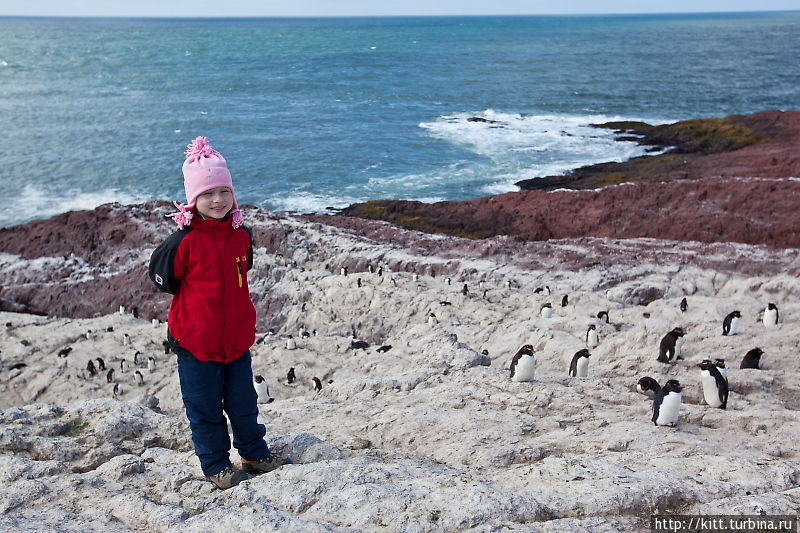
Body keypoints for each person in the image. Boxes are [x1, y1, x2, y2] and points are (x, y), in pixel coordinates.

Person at [149, 137, 282, 490]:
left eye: (224, 191)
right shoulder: (183, 242)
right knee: (205, 410)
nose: (218, 200)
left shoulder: (241, 236)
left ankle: (254, 453)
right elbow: (163, 279)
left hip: (236, 340)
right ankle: (216, 466)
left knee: (244, 404)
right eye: (208, 194)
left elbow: (244, 272)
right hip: (196, 343)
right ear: (194, 200)